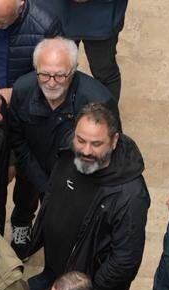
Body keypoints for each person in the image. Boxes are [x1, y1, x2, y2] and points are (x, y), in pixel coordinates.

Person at [20, 102, 147, 290]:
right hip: (61, 262)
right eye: (81, 140)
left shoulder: (130, 194)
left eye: (96, 144)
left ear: (114, 141)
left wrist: (89, 289)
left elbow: (125, 259)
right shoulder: (68, 151)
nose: (86, 151)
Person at [6, 38, 113, 245]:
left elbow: (105, 150)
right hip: (32, 167)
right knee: (24, 200)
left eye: (60, 75)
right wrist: (42, 182)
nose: (52, 82)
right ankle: (22, 227)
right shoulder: (22, 89)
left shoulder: (99, 100)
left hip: (74, 174)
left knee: (63, 220)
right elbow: (16, 138)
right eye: (44, 74)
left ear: (73, 71)